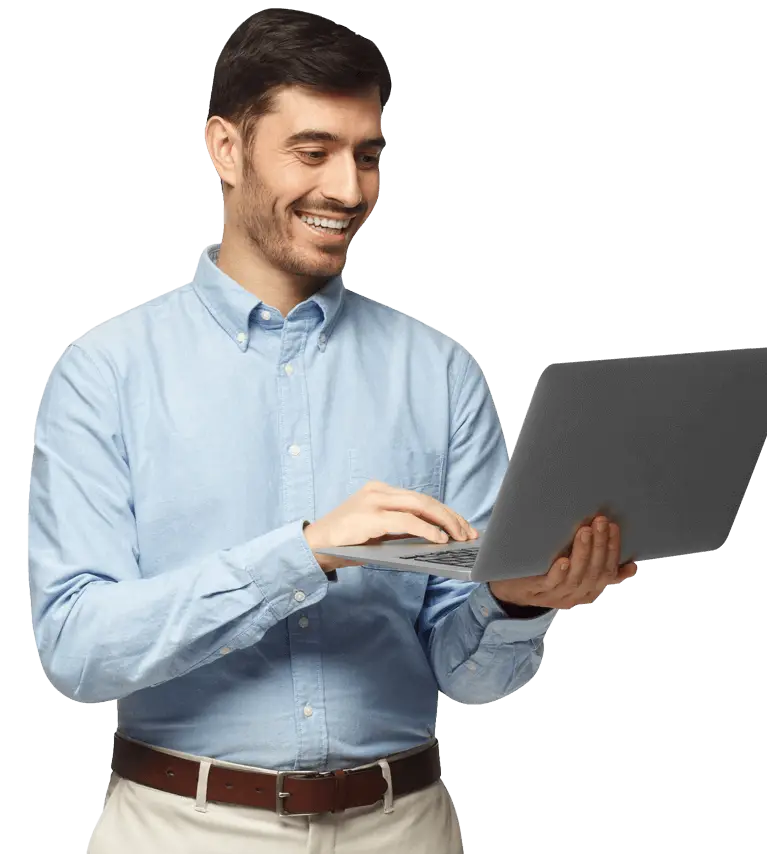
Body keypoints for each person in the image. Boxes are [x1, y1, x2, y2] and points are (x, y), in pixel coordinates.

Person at [27, 8, 637, 853]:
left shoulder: (442, 372)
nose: (348, 190)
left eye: (368, 156)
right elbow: (76, 650)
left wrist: (514, 600)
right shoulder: (105, 370)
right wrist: (305, 552)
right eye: (312, 153)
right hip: (182, 829)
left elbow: (470, 678)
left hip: (405, 825)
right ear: (226, 148)